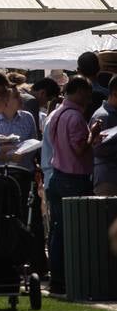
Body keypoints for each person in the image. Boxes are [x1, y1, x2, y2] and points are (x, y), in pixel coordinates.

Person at [46, 76, 95, 296]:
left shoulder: (57, 113)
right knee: (72, 232)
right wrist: (93, 135)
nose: (89, 97)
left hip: (58, 176)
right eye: (87, 92)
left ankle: (57, 279)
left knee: (58, 231)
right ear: (79, 91)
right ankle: (67, 278)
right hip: (73, 179)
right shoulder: (75, 117)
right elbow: (79, 149)